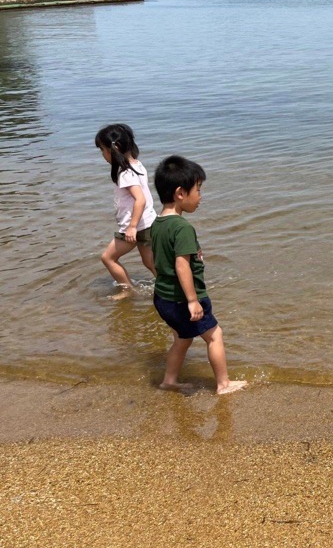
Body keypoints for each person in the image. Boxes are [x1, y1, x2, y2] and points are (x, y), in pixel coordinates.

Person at [150, 155, 247, 395]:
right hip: (184, 299)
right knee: (214, 335)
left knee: (182, 339)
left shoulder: (157, 224)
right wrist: (193, 300)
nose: (200, 197)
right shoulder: (182, 227)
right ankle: (224, 384)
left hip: (164, 297)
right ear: (180, 193)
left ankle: (169, 381)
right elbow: (182, 265)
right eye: (199, 190)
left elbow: (158, 259)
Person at [95, 124, 157, 297]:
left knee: (108, 258)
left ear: (114, 148)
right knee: (150, 262)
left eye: (102, 150)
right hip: (148, 223)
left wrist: (131, 226)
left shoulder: (125, 173)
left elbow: (140, 199)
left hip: (135, 227)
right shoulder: (137, 165)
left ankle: (127, 289)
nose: (103, 155)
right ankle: (170, 289)